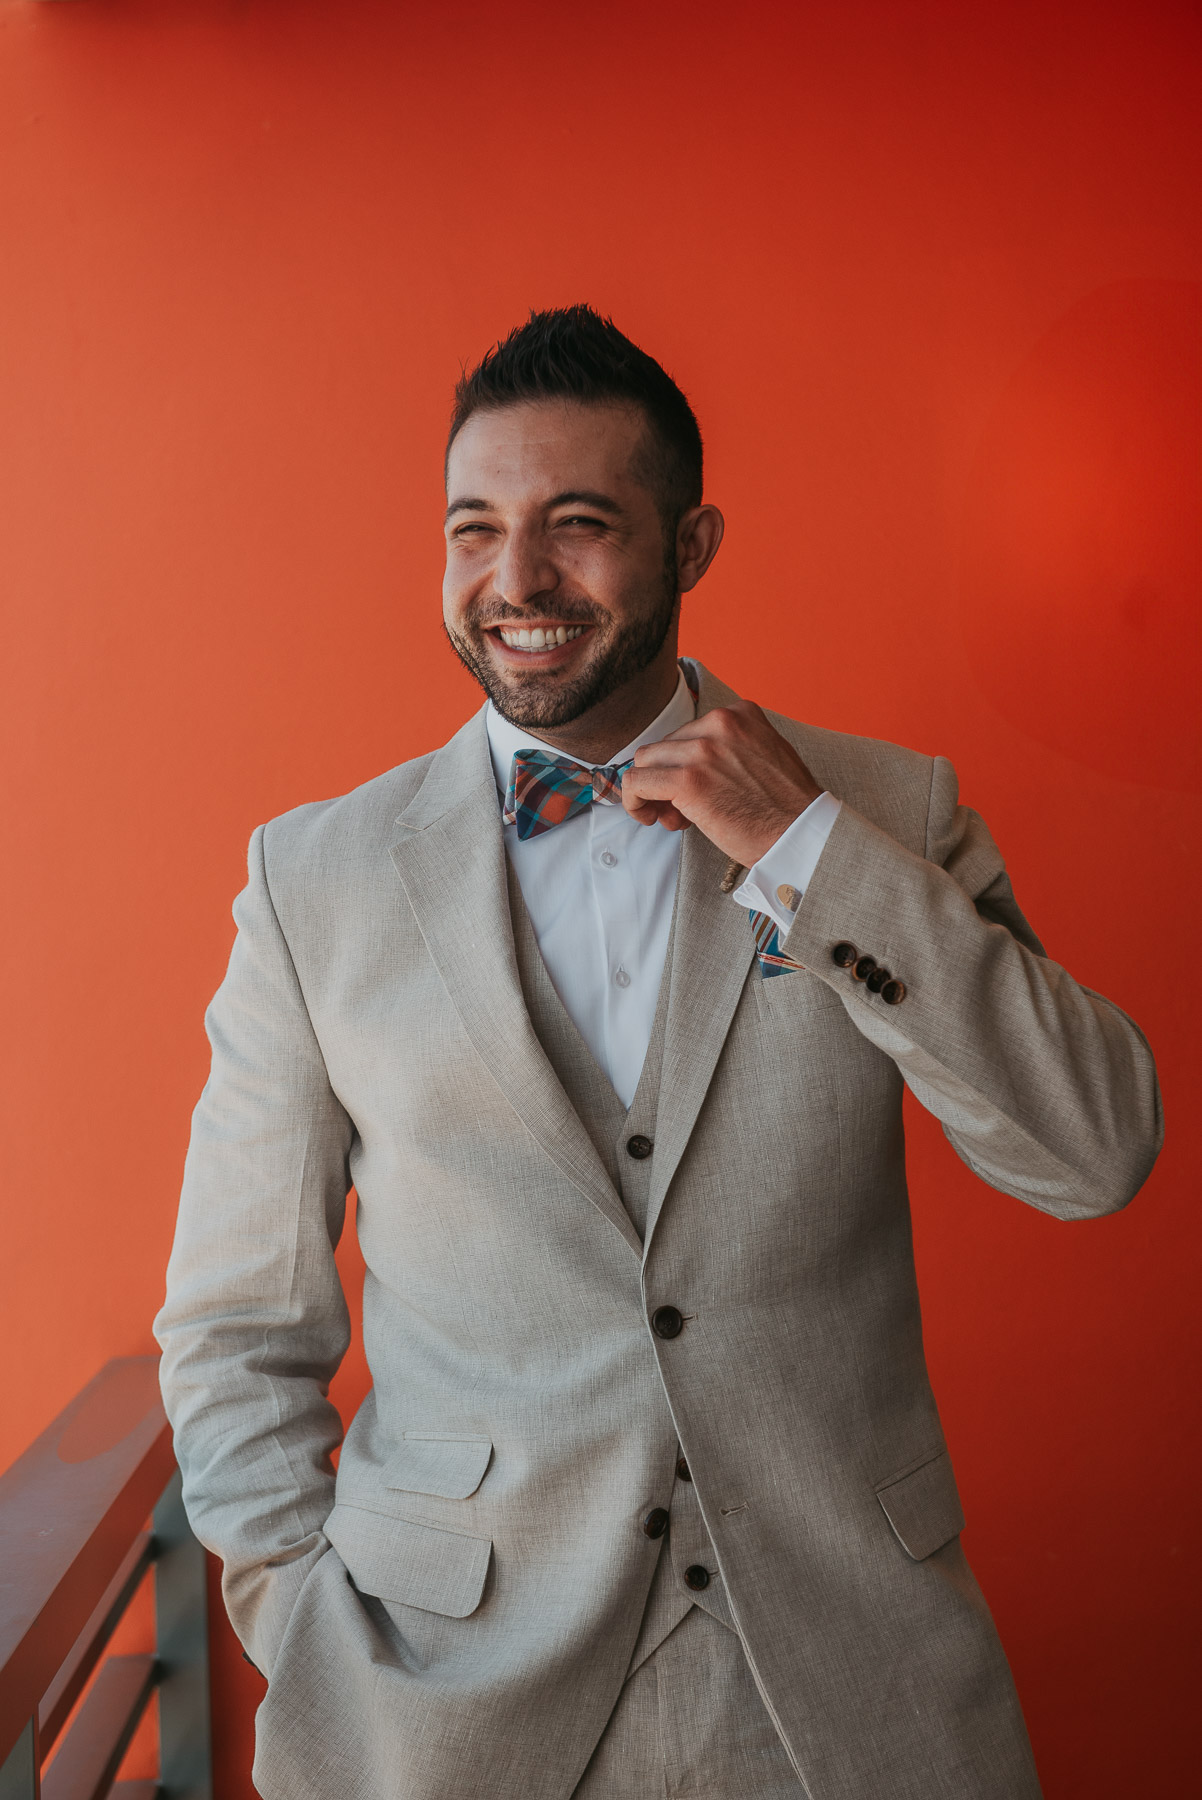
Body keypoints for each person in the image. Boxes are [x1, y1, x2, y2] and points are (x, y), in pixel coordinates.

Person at [155, 306, 1162, 1800]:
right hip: (444, 1714)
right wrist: (299, 1609)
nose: (517, 582)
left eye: (577, 525)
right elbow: (236, 1320)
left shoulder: (888, 809)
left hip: (847, 1691)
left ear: (690, 545)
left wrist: (811, 850)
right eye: (474, 529)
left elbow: (1093, 1151)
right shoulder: (319, 879)